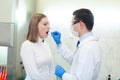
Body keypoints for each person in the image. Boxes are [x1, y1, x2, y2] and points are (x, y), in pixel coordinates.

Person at [51, 8, 102, 80]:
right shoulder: (85, 44)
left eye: (73, 23)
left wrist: (63, 75)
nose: (71, 26)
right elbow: (74, 60)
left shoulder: (89, 48)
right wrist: (59, 44)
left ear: (81, 24)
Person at [20, 13, 54, 80]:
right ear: (35, 27)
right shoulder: (27, 45)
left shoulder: (45, 44)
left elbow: (52, 68)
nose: (49, 27)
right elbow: (34, 74)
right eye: (45, 24)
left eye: (48, 24)